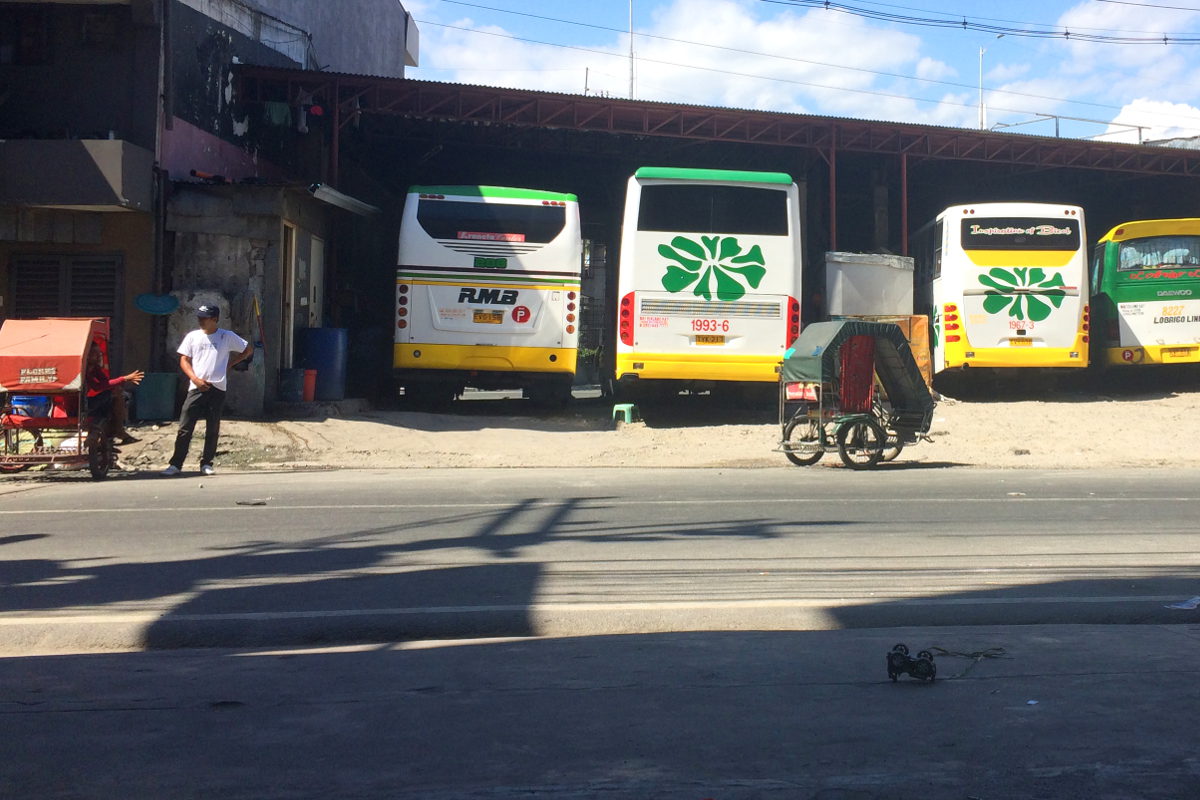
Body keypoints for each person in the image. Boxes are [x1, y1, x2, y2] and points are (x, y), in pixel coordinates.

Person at [162, 304, 252, 477]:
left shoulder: (226, 336)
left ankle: (206, 463)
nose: (201, 321)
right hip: (196, 387)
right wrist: (195, 378)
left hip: (217, 386)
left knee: (212, 427)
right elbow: (184, 360)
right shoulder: (193, 336)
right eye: (199, 318)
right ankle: (175, 464)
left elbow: (247, 350)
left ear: (215, 319)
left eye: (205, 318)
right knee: (185, 426)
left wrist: (230, 364)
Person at [85, 342, 144, 445]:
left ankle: (116, 429)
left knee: (117, 392)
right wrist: (124, 379)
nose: (98, 357)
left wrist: (120, 383)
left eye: (99, 353)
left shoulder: (94, 368)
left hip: (89, 402)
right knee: (116, 395)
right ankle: (118, 430)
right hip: (82, 404)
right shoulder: (84, 369)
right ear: (88, 355)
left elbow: (105, 382)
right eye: (95, 354)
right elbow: (97, 386)